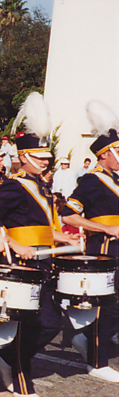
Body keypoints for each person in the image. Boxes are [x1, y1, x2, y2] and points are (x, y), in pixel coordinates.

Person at [0, 92, 82, 397]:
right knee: (30, 323)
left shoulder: (41, 186)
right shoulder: (13, 185)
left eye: (47, 159)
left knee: (49, 322)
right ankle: (22, 382)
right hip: (23, 265)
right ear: (23, 158)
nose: (45, 163)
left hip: (43, 260)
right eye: (39, 159)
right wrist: (11, 243)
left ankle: (7, 359)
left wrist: (60, 238)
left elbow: (37, 224)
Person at [59, 100, 119, 382]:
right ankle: (97, 361)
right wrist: (104, 229)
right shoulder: (92, 180)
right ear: (104, 154)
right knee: (104, 305)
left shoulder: (116, 179)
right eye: (118, 151)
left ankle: (87, 340)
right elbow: (68, 215)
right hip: (104, 249)